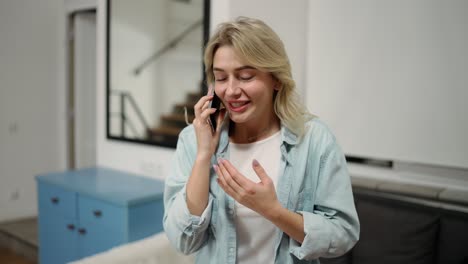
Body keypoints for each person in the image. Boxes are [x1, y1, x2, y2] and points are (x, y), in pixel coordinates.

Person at [163, 17, 359, 264]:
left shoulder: (314, 140)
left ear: (276, 79)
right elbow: (183, 241)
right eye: (221, 78)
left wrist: (273, 211)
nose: (231, 90)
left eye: (245, 76)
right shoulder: (193, 140)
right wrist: (204, 154)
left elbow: (343, 234)